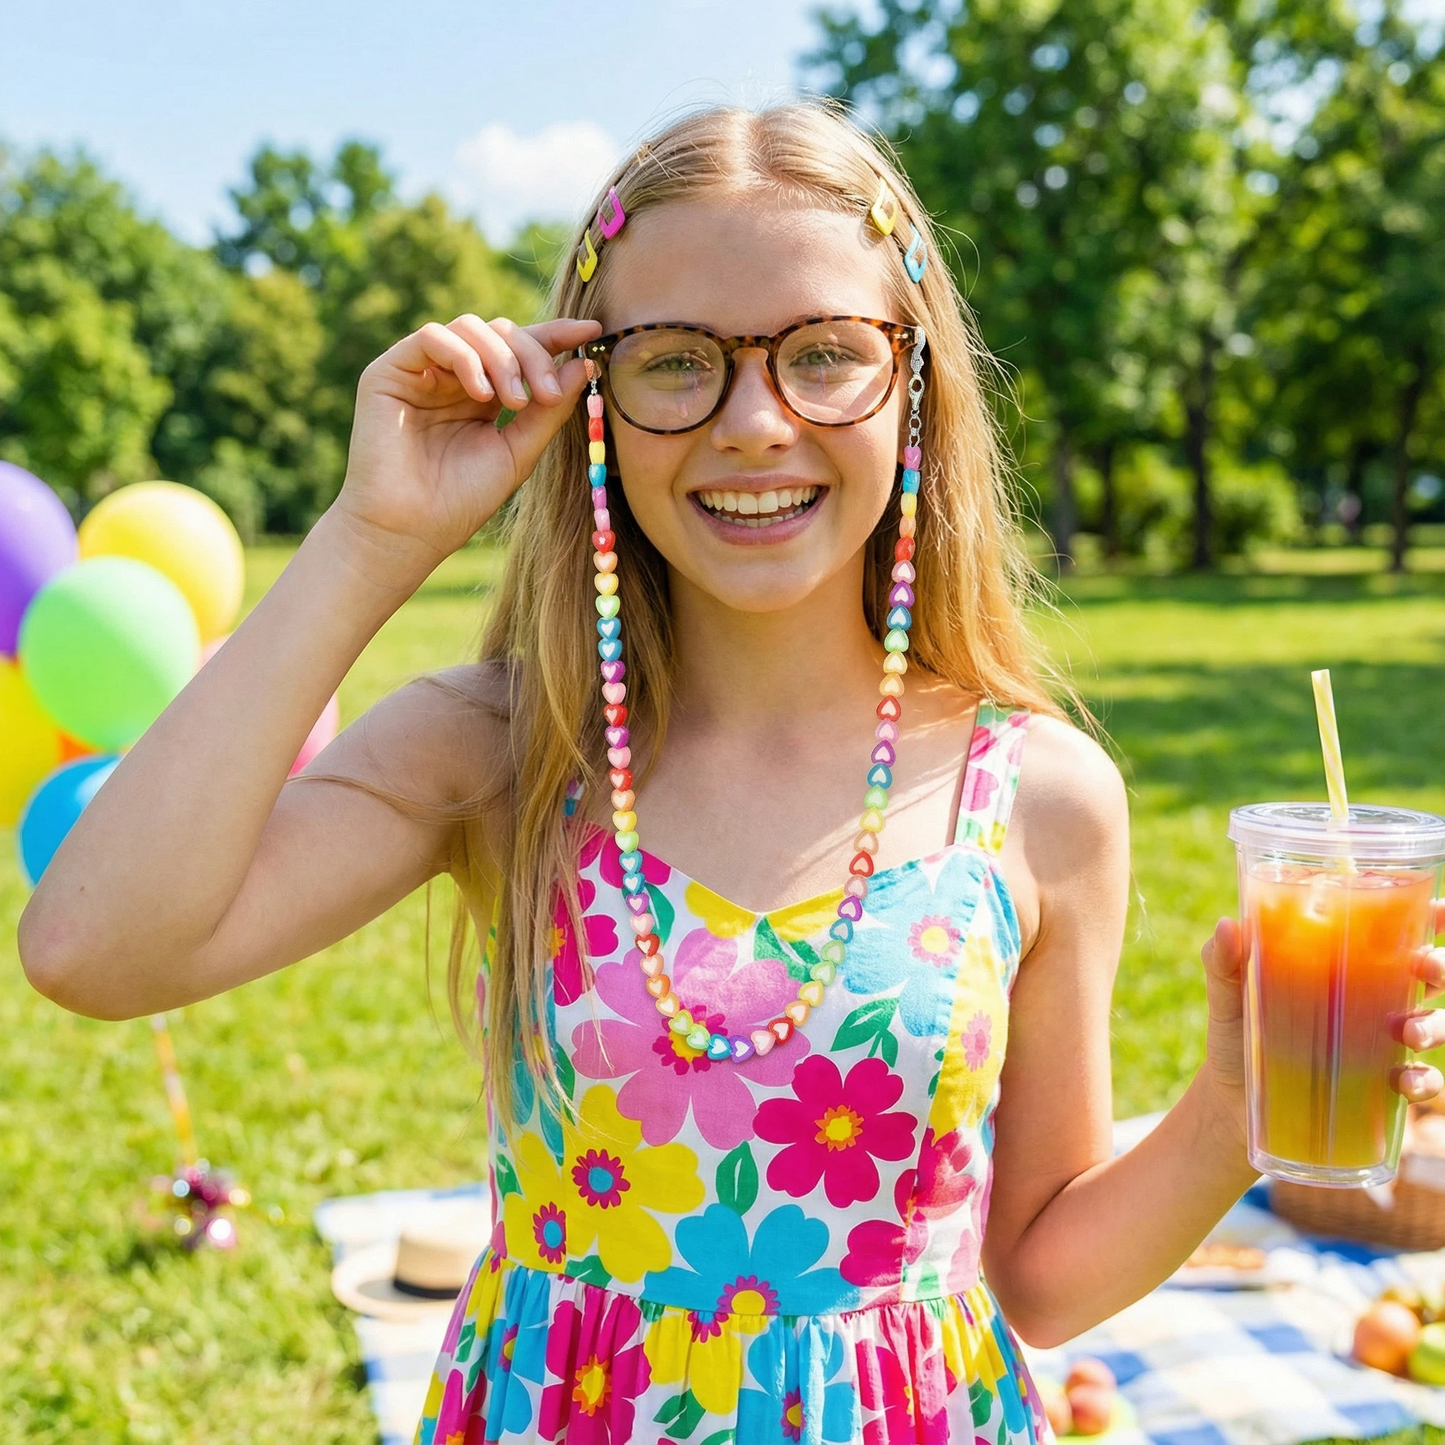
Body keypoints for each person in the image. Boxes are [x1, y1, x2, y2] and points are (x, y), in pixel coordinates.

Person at [20, 100, 1445, 1445]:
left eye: (824, 350)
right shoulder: (509, 751)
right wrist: (372, 536)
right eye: (677, 359)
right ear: (595, 395)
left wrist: (1232, 1111)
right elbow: (94, 944)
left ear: (916, 380)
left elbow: (1041, 1277)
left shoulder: (1041, 796)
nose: (755, 419)